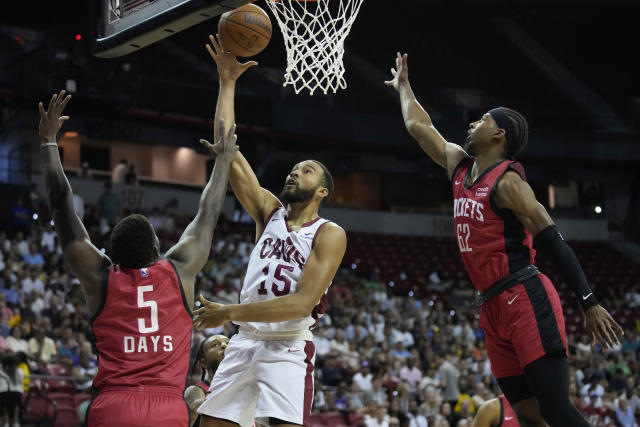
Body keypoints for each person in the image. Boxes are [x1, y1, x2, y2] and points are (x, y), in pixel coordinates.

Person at [386, 52, 624, 426]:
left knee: (556, 409)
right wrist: (404, 88)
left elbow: (551, 237)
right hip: (492, 307)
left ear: (499, 134)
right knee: (529, 416)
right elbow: (419, 125)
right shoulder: (460, 166)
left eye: (483, 119)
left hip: (524, 297)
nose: (473, 122)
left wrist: (589, 302)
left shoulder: (509, 182)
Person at [38, 90, 237, 427]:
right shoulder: (180, 269)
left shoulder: (99, 277)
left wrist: (48, 143)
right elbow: (208, 214)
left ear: (111, 254)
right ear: (158, 248)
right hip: (167, 407)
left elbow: (61, 205)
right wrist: (222, 161)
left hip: (113, 406)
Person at [192, 35, 347, 427]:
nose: (295, 171)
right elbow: (228, 149)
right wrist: (227, 83)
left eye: (307, 169)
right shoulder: (269, 212)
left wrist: (228, 311)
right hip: (244, 341)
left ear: (323, 191)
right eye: (294, 167)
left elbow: (299, 304)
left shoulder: (329, 233)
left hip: (287, 346)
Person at [184, 335, 230, 427]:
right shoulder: (196, 391)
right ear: (204, 363)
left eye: (229, 343)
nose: (224, 345)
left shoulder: (248, 390)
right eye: (215, 345)